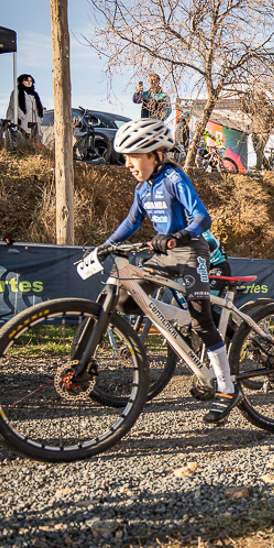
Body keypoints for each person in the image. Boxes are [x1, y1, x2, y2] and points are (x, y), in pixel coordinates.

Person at [103, 118, 237, 425]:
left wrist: (181, 236)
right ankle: (184, 319)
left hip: (190, 250)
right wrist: (106, 245)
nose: (127, 164)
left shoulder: (174, 177)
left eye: (132, 157)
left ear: (155, 155)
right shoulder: (142, 189)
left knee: (203, 320)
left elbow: (202, 217)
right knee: (126, 299)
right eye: (125, 158)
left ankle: (227, 389)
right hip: (163, 254)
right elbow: (131, 222)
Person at [8, 74, 44, 144]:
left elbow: (37, 108)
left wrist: (39, 119)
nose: (29, 83)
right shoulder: (17, 92)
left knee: (36, 144)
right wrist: (22, 117)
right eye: (27, 81)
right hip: (22, 122)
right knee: (23, 143)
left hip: (34, 123)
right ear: (21, 82)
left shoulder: (34, 94)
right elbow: (13, 106)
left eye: (31, 81)